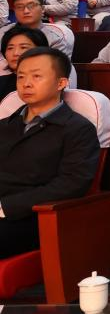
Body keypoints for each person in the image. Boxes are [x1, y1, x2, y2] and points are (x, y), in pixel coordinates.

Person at [0, 47, 100, 258]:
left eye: (36, 76)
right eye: (21, 77)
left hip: (32, 216)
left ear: (61, 83)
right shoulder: (4, 126)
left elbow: (72, 184)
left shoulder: (77, 129)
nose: (26, 83)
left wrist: (6, 206)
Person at [0, 27, 48, 98]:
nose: (15, 53)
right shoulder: (1, 83)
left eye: (23, 47)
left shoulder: (51, 81)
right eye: (10, 48)